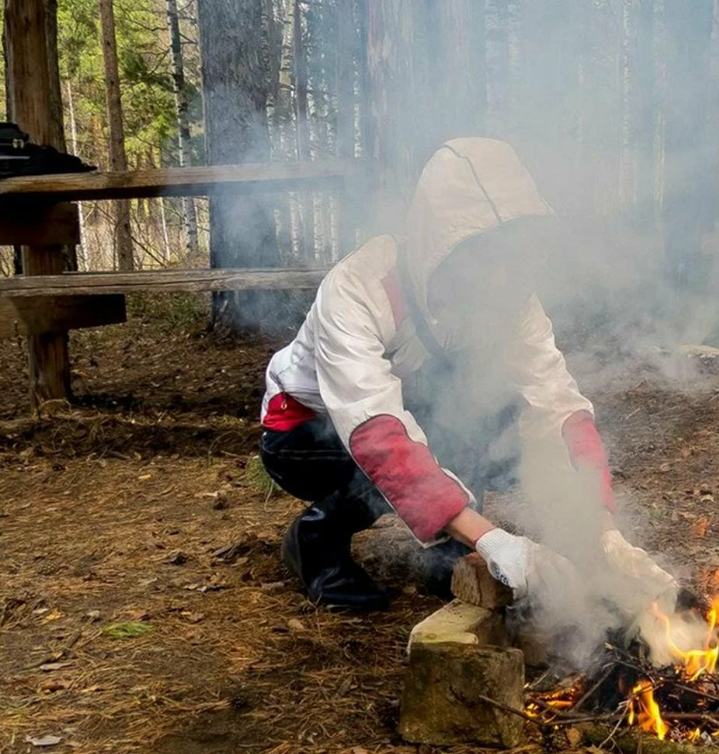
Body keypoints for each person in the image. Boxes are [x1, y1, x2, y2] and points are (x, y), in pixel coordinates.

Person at [258, 138, 675, 613]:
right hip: (303, 433)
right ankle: (315, 539)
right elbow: (375, 429)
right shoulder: (358, 288)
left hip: (407, 412)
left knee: (489, 414)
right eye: (484, 256)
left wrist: (604, 531)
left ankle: (449, 541)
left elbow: (556, 404)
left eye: (513, 254)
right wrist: (496, 539)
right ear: (441, 245)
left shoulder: (512, 299)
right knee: (380, 463)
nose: (501, 276)